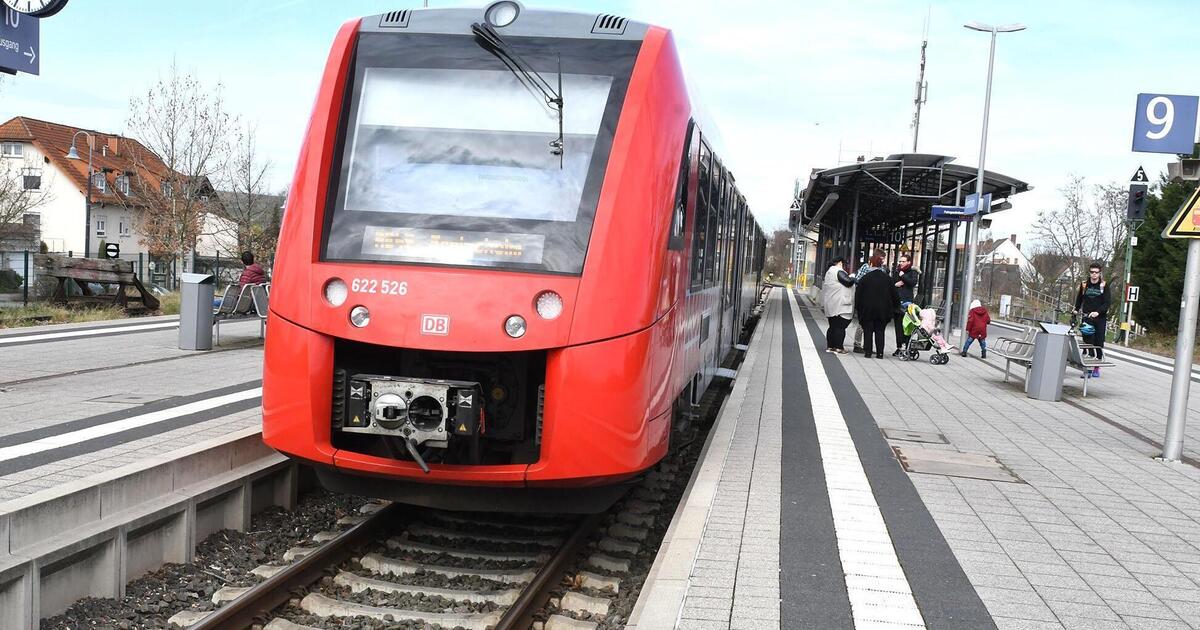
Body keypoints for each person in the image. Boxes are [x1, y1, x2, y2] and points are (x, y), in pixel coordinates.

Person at [854, 254, 900, 359]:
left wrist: (858, 309)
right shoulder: (887, 279)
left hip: (867, 310)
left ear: (871, 264)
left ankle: (868, 352)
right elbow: (895, 296)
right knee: (880, 331)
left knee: (868, 331)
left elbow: (858, 296)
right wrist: (894, 308)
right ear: (881, 265)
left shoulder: (865, 279)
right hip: (883, 311)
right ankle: (880, 353)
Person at [1074, 261, 1111, 377]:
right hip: (1087, 318)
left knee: (1098, 342)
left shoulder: (1104, 285)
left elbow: (1107, 303)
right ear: (1089, 273)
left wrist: (1098, 312)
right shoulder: (1084, 285)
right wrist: (1076, 309)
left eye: (1096, 272)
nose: (1094, 274)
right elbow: (1079, 299)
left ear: (1100, 273)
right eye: (1092, 272)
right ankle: (1087, 367)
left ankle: (1096, 368)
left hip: (1100, 319)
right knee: (1087, 342)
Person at [822, 257, 855, 353]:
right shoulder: (837, 271)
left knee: (832, 326)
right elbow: (848, 282)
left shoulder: (829, 272)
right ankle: (839, 348)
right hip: (840, 304)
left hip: (831, 303)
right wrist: (852, 277)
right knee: (840, 327)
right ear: (840, 263)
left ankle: (830, 346)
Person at [891, 253, 919, 356]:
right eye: (900, 261)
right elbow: (891, 284)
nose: (901, 263)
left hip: (907, 303)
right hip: (897, 302)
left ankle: (907, 345)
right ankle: (899, 347)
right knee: (898, 326)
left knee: (907, 326)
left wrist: (903, 276)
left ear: (908, 262)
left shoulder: (913, 272)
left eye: (903, 261)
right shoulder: (896, 271)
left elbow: (913, 283)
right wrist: (895, 284)